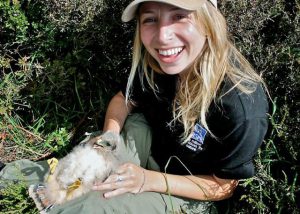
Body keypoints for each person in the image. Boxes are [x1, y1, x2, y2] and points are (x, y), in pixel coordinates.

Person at [0, 0, 269, 213]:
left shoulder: (241, 104)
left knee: (91, 206)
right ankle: (9, 178)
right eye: (150, 19)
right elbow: (124, 99)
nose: (163, 36)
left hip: (187, 188)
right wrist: (109, 138)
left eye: (179, 16)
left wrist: (146, 180)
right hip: (149, 141)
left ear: (209, 22)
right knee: (79, 170)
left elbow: (224, 186)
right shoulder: (159, 63)